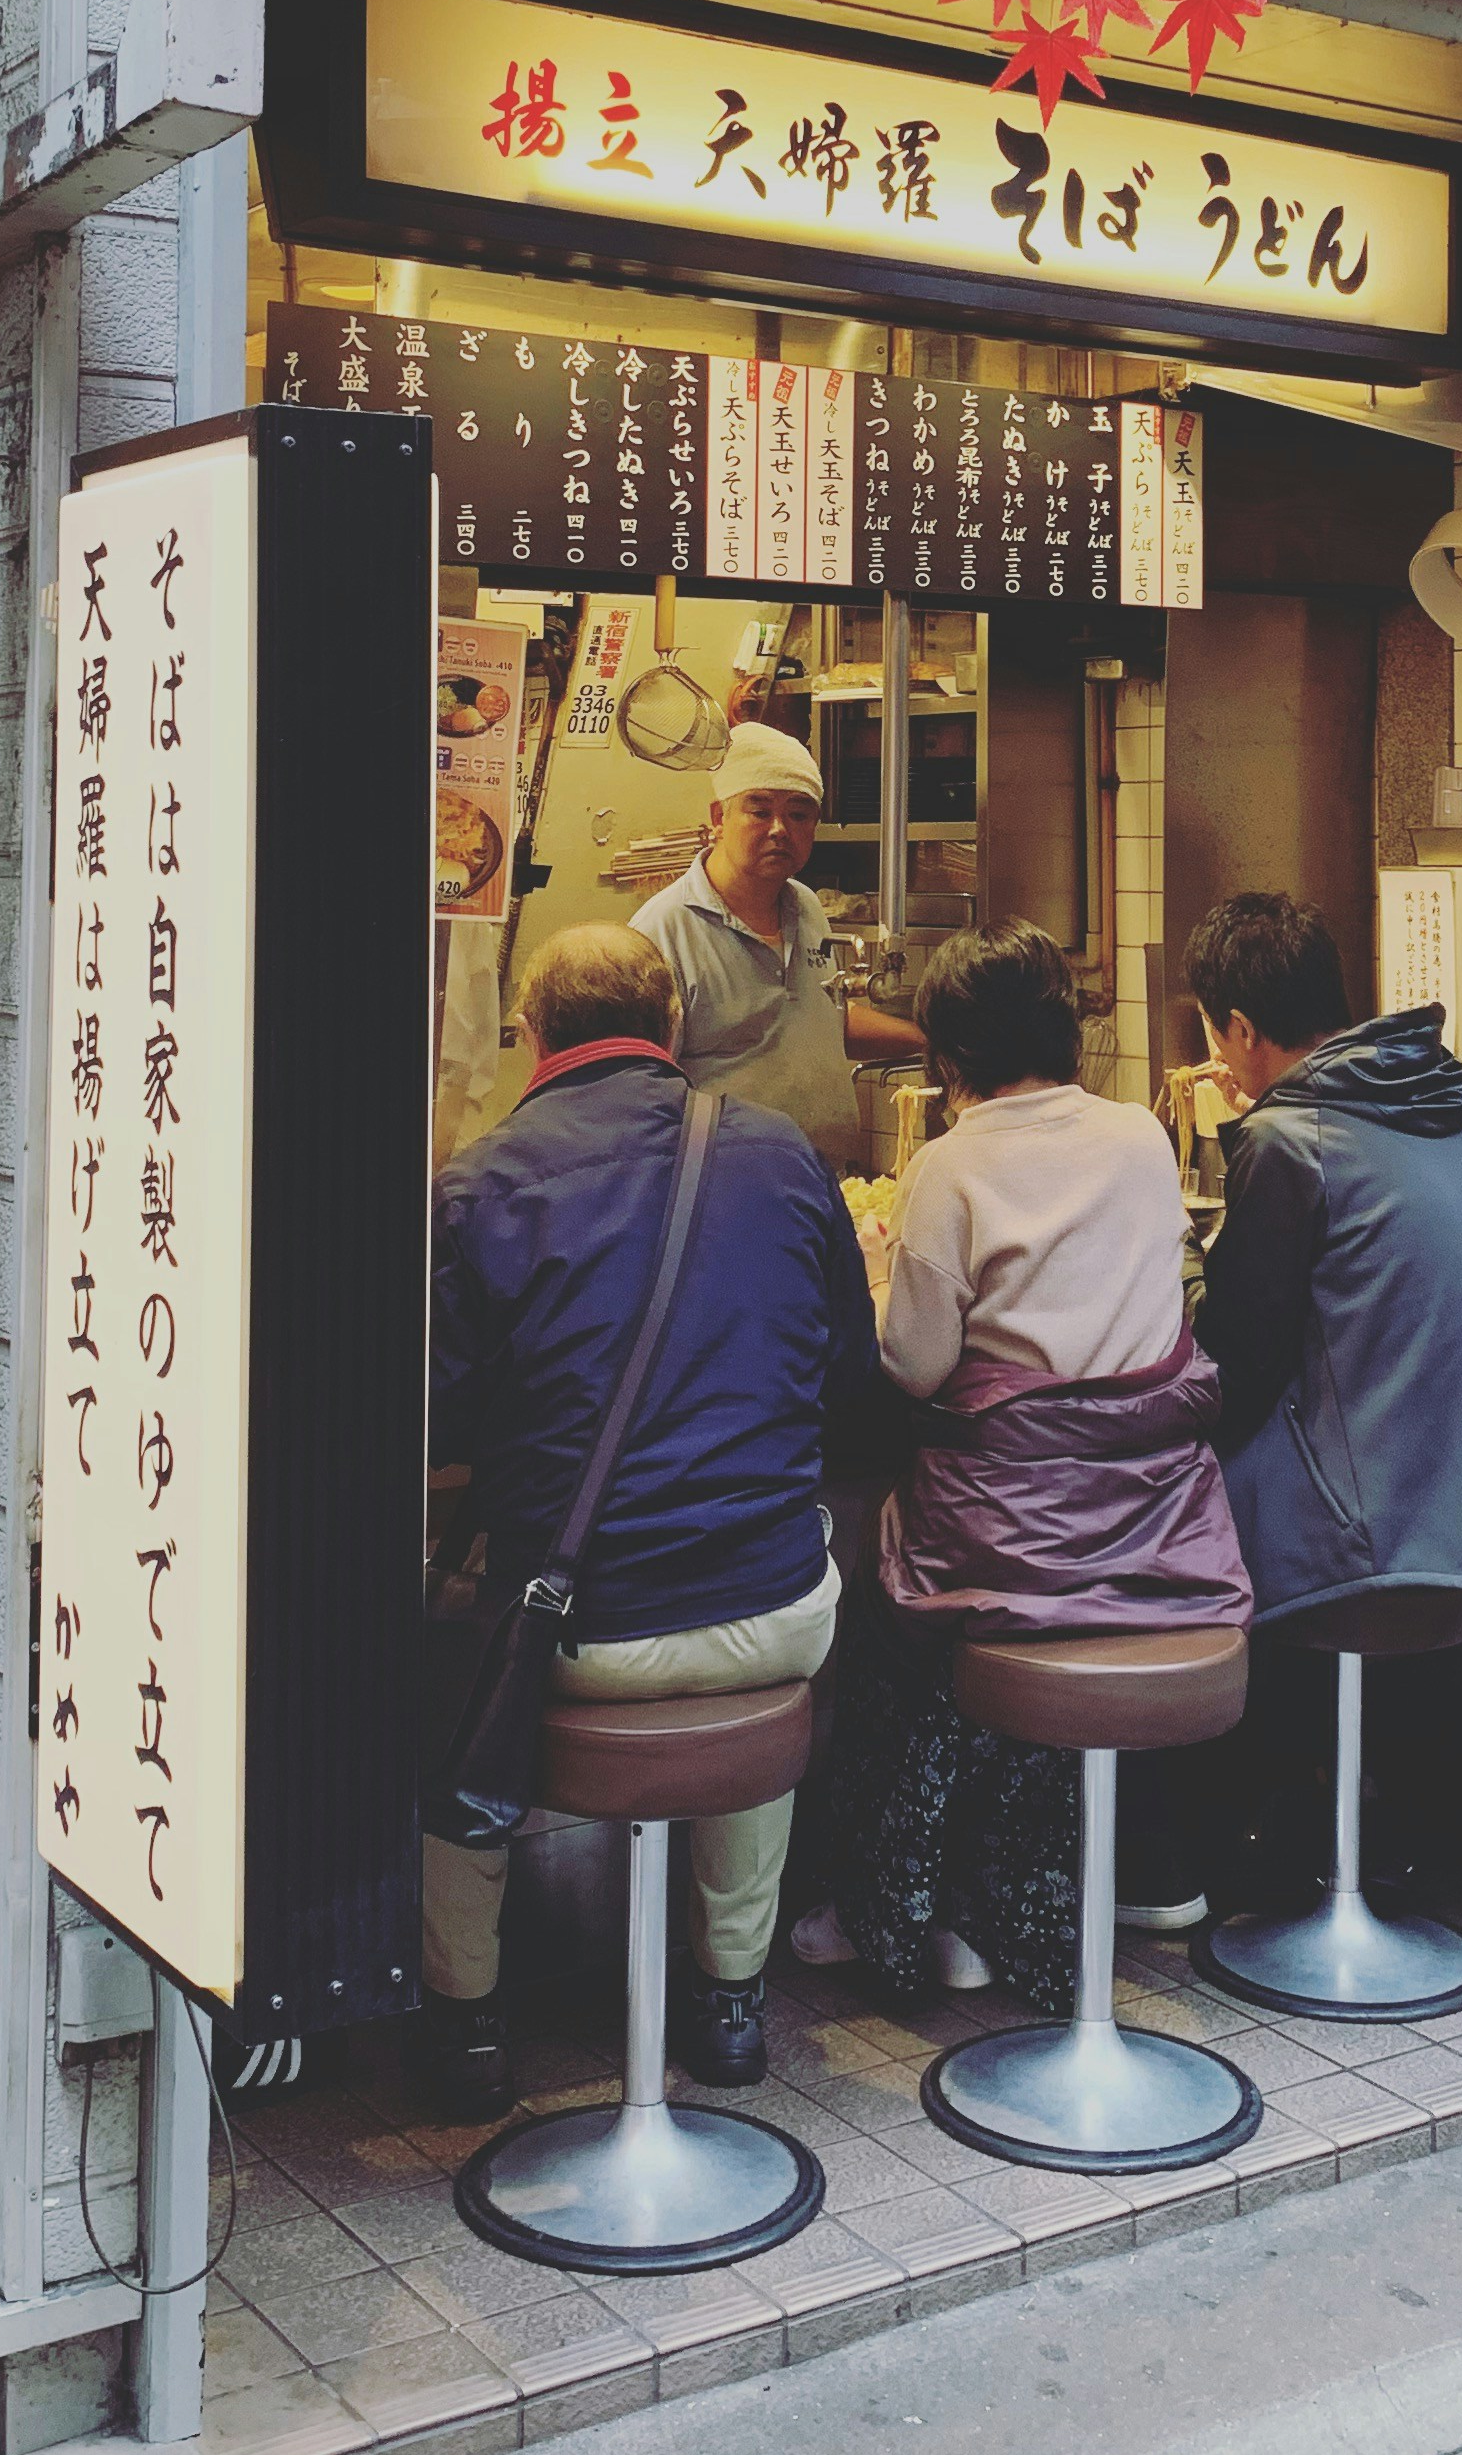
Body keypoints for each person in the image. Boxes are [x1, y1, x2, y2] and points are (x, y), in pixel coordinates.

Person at [422, 923, 873, 2119]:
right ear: (670, 1028)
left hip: (582, 1635)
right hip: (775, 1615)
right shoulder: (782, 1157)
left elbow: (437, 1420)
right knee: (765, 1606)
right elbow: (852, 1378)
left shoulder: (475, 1185)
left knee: (445, 1669)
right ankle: (730, 2002)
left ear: (530, 1037)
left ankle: (465, 2022)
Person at [799, 921, 1248, 2006]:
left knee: (895, 1634)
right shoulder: (1142, 1140)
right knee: (985, 1641)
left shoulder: (950, 1167)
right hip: (1155, 1537)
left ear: (947, 1055)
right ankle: (1007, 1905)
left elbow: (913, 1367)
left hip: (1007, 1533)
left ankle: (908, 1911)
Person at [1184, 893, 1462, 1912]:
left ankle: (1206, 1857)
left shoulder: (1293, 1140)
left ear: (1238, 1027)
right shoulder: (1445, 1101)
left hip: (1371, 1547)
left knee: (1165, 1498)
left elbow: (1235, 1361)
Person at [629, 720, 923, 1171]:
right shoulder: (662, 932)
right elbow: (640, 1090)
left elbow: (821, 1020)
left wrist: (933, 1040)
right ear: (718, 818)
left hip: (823, 1178)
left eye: (799, 815)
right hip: (721, 1189)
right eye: (759, 810)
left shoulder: (806, 907)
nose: (780, 829)